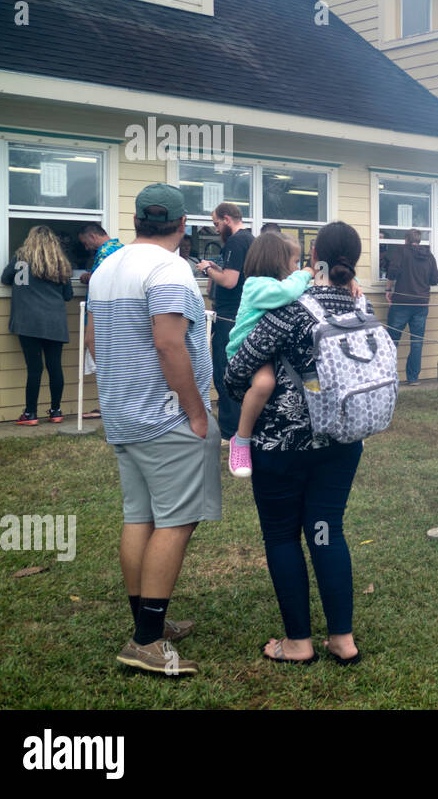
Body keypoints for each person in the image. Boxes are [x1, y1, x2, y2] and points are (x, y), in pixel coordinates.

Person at [86, 184, 220, 676]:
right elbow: (169, 344)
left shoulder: (106, 267)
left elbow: (95, 340)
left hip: (123, 415)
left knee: (138, 517)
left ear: (137, 220)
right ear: (183, 227)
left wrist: (123, 390)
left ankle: (146, 624)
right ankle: (146, 641)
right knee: (176, 522)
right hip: (167, 418)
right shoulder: (171, 269)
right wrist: (196, 412)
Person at [224, 221, 369, 666]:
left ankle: (298, 643)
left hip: (280, 446)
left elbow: (235, 374)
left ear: (312, 259)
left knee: (283, 536)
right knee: (326, 531)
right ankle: (342, 640)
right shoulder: (360, 307)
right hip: (342, 439)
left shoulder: (288, 309)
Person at [223, 232, 316, 479]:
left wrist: (351, 282)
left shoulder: (281, 284)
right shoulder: (256, 285)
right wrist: (305, 273)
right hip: (248, 351)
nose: (297, 268)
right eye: (294, 262)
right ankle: (241, 439)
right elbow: (288, 293)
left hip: (271, 348)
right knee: (265, 383)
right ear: (277, 261)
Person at [0, 226, 73, 425]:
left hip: (28, 321)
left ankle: (30, 414)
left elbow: (5, 279)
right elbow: (68, 296)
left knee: (34, 368)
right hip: (54, 322)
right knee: (55, 366)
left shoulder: (20, 259)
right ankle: (56, 411)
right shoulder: (60, 263)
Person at [197, 203, 253, 440]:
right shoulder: (251, 239)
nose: (216, 229)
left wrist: (206, 270)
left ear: (227, 219)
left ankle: (230, 433)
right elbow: (236, 275)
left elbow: (229, 281)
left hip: (230, 317)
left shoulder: (235, 242)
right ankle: (247, 428)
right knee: (244, 375)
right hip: (245, 315)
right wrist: (217, 267)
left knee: (224, 373)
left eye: (217, 223)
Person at [384, 228, 438, 385]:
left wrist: (388, 290)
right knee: (417, 342)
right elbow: (434, 279)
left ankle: (388, 376)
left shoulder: (401, 251)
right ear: (419, 240)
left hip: (401, 302)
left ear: (406, 239)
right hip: (421, 303)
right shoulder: (429, 255)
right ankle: (413, 378)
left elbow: (392, 272)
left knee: (392, 340)